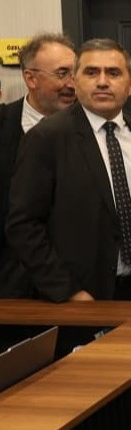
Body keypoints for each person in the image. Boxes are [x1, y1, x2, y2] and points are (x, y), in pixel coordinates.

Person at [6, 38, 131, 302]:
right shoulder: (46, 137)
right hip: (82, 296)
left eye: (113, 73)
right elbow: (23, 226)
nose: (102, 82)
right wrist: (67, 290)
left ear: (130, 85)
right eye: (91, 72)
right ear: (75, 82)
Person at [0, 34, 77, 296]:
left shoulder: (92, 130)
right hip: (10, 287)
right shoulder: (3, 123)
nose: (71, 84)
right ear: (31, 78)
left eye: (75, 73)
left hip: (74, 284)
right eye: (62, 73)